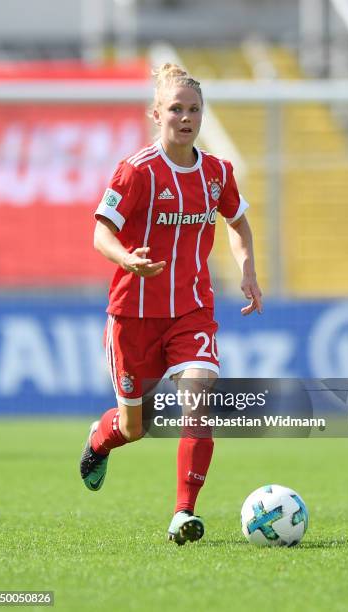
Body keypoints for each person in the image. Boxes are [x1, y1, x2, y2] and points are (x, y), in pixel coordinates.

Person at [80, 62, 263, 545]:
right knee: (132, 427)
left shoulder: (218, 173)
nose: (186, 117)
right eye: (176, 109)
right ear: (155, 114)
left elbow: (238, 223)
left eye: (194, 109)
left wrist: (247, 269)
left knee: (199, 405)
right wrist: (128, 259)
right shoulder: (137, 171)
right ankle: (99, 440)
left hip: (191, 311)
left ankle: (184, 513)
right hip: (132, 315)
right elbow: (102, 233)